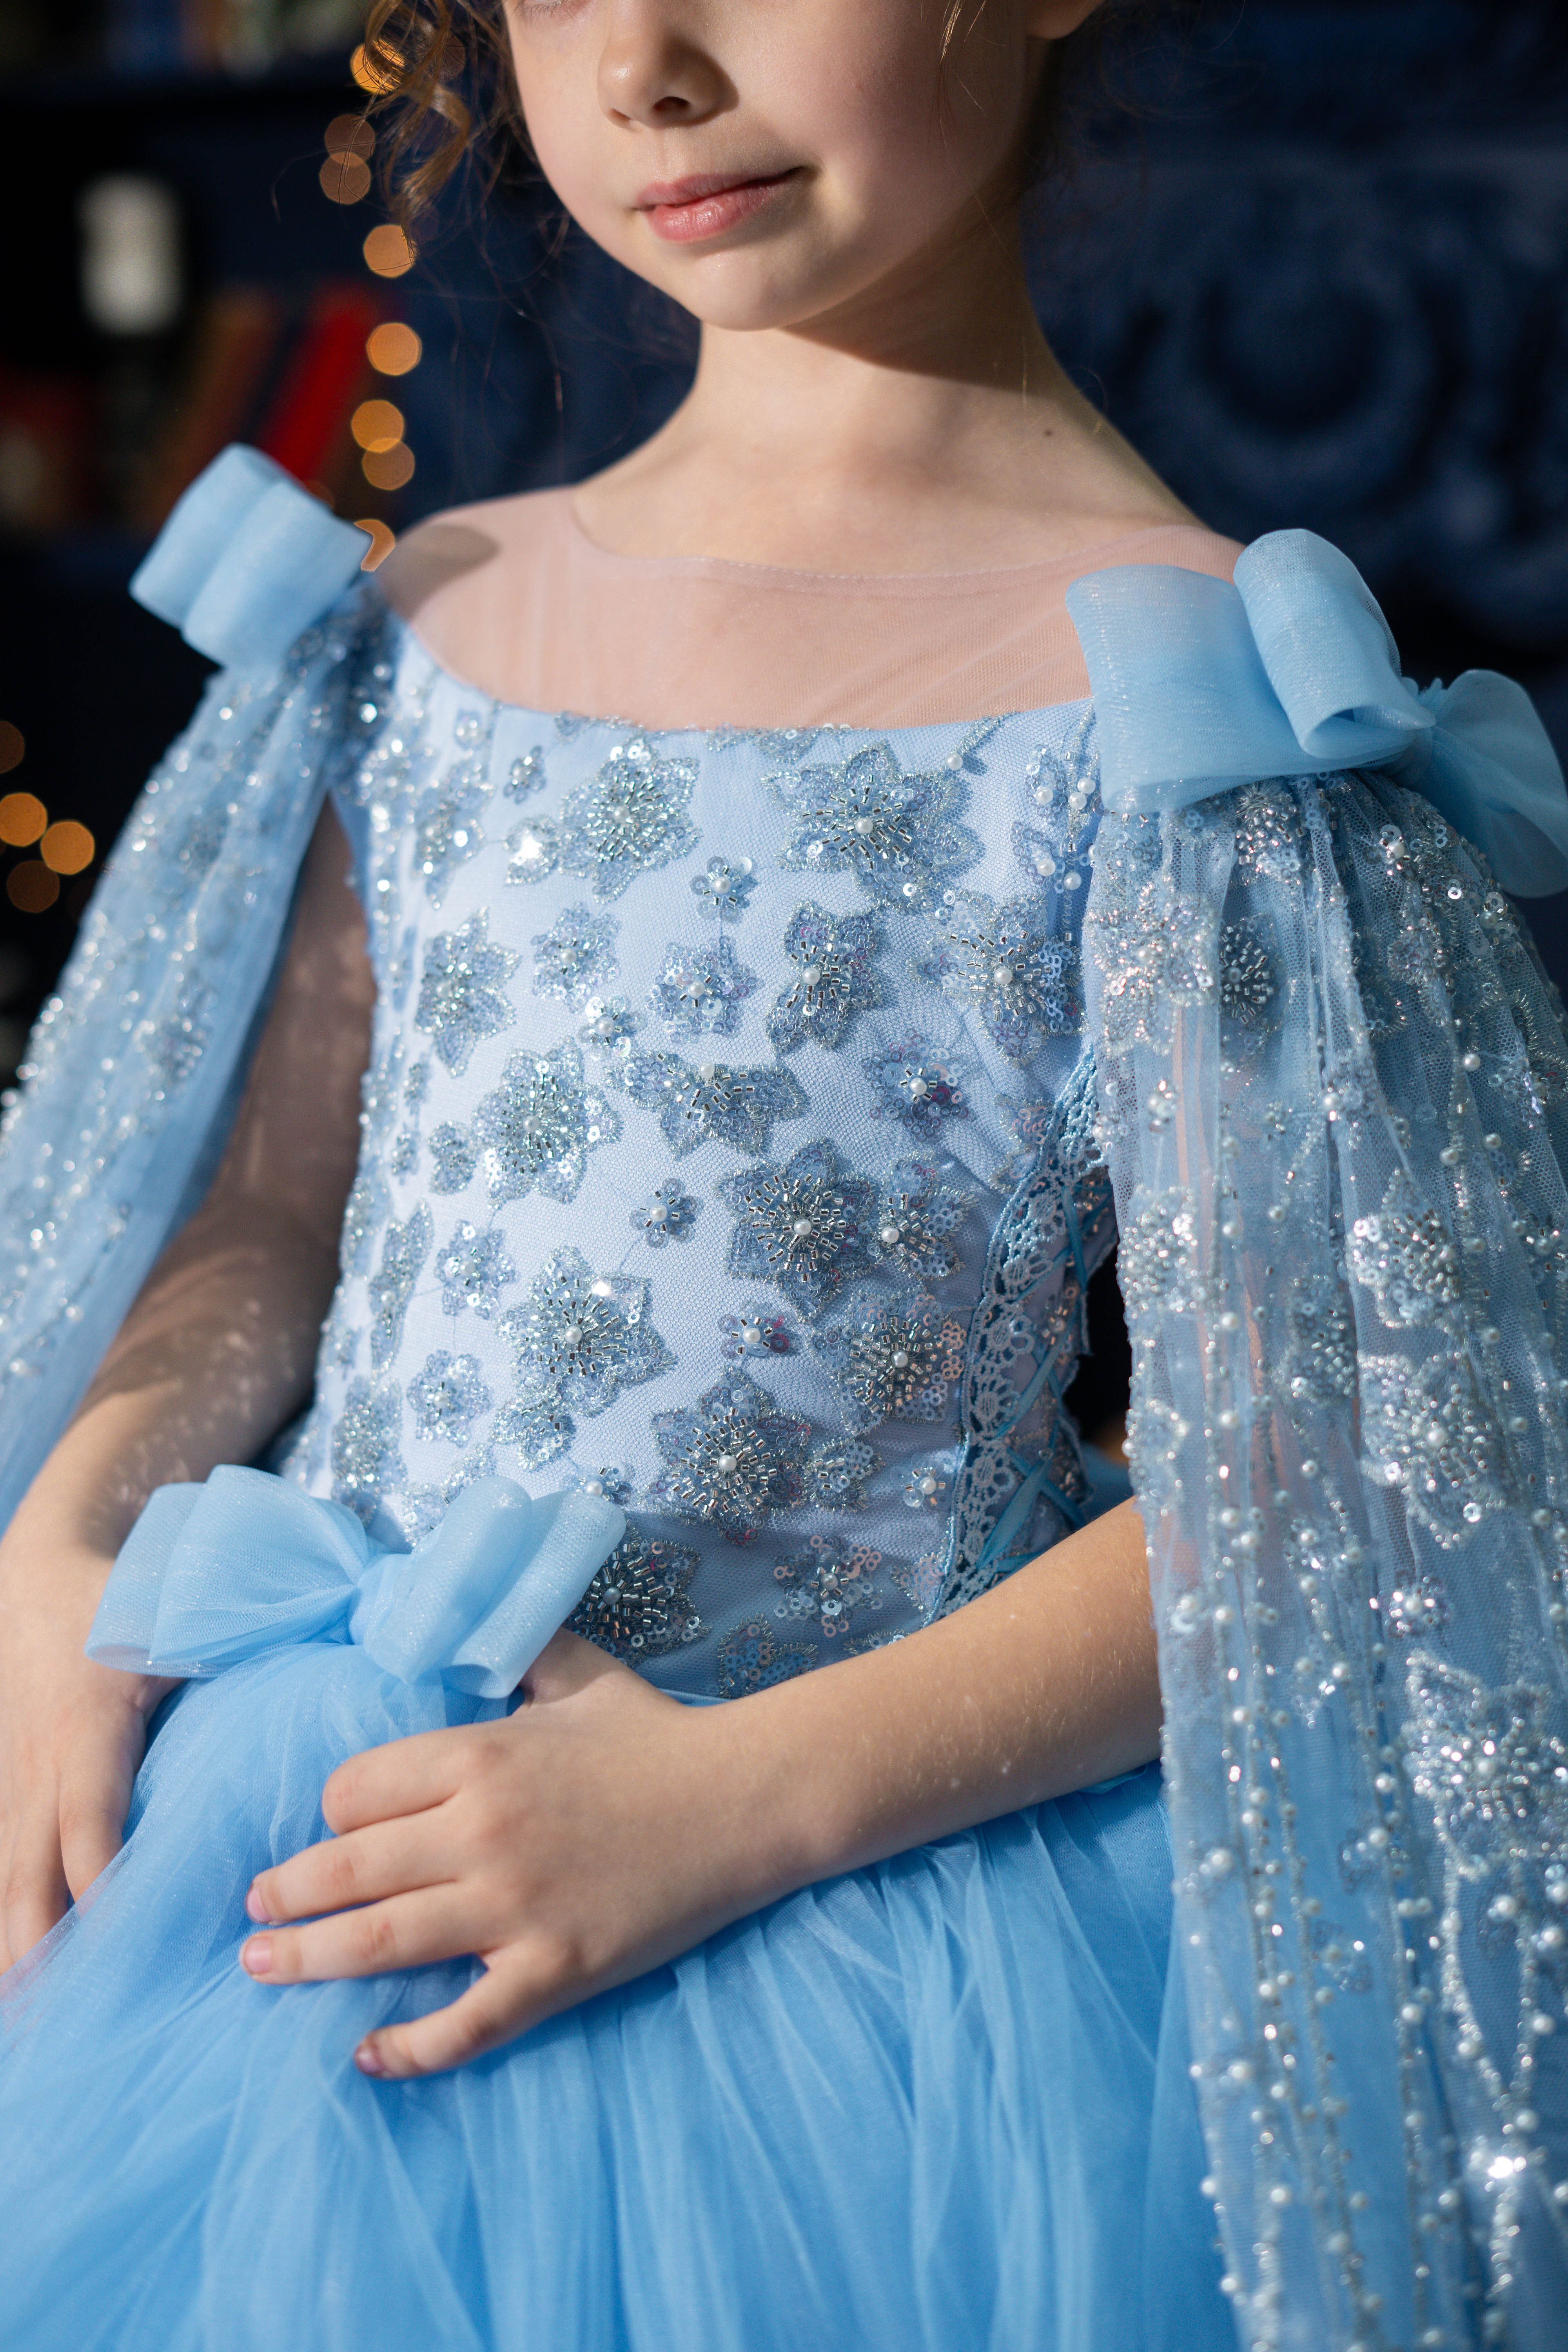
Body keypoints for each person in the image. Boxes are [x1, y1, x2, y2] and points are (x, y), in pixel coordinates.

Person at [1, 3, 1565, 2346]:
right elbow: (265, 1228)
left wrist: (738, 1807)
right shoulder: (419, 620)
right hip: (292, 1866)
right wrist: (77, 1516)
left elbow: (1339, 1481)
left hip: (848, 1952)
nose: (642, 66)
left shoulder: (1195, 703)